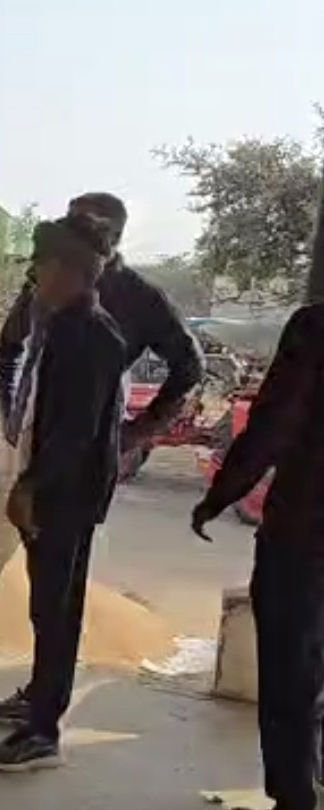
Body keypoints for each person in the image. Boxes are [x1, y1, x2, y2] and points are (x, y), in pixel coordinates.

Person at [0, 192, 203, 679]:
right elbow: (9, 346)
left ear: (110, 238)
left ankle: (44, 698)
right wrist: (11, 409)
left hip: (77, 450)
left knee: (56, 581)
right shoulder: (47, 278)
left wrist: (135, 434)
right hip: (27, 436)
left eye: (83, 227)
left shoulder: (134, 301)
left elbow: (189, 366)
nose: (56, 252)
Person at [0, 215, 125, 772]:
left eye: (40, 263)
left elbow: (76, 431)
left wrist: (29, 486)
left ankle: (42, 733)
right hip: (54, 485)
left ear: (65, 268)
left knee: (57, 613)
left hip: (66, 494)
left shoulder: (95, 336)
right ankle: (38, 708)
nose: (34, 274)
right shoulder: (61, 324)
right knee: (47, 609)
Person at [192, 303, 324, 810]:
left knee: (291, 674)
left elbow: (274, 422)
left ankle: (295, 796)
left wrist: (221, 494)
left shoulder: (316, 327)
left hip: (305, 535)